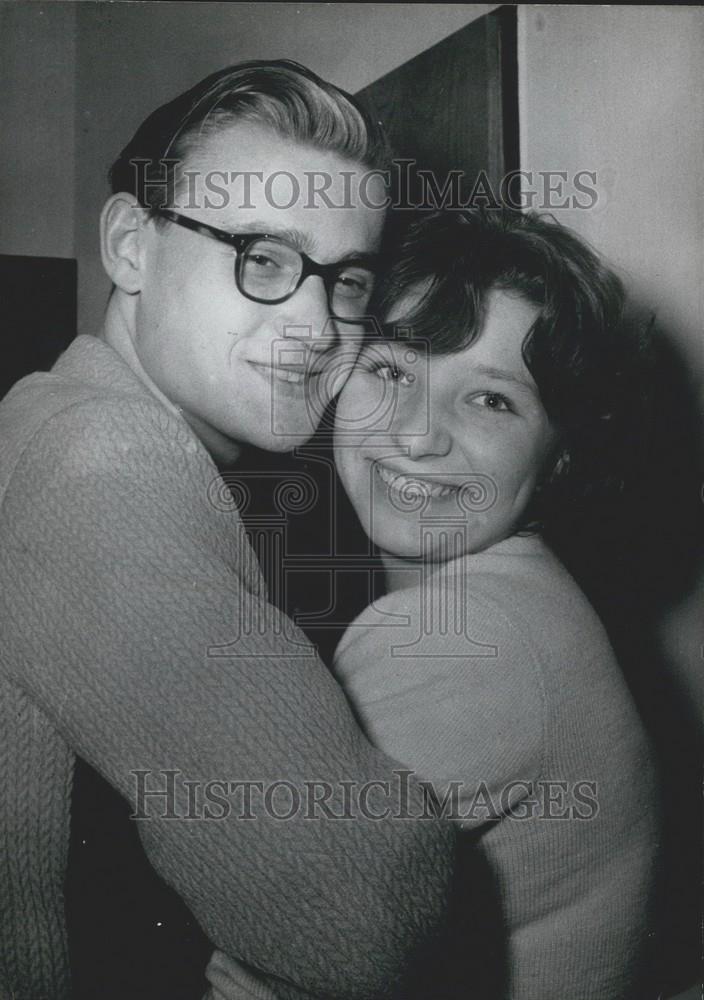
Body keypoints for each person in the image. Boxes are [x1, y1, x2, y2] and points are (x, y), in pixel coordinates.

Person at [0, 62, 456, 1000]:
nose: (316, 326)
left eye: (348, 281)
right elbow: (361, 901)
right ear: (131, 246)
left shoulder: (43, 417)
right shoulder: (107, 458)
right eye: (263, 259)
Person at [330, 208, 661, 998]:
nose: (416, 436)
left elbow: (274, 960)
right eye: (391, 371)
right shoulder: (518, 594)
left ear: (561, 456)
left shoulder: (464, 639)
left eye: (491, 402)